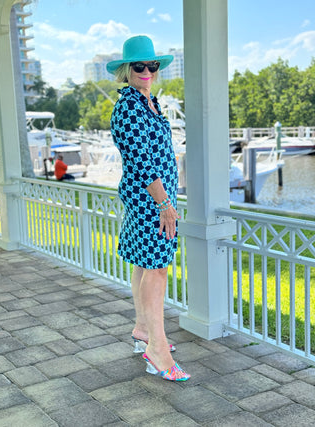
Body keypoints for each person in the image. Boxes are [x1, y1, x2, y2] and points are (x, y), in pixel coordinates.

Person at [107, 35, 190, 381]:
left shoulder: (148, 102)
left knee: (145, 264)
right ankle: (157, 348)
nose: (146, 71)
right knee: (157, 269)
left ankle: (143, 327)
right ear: (126, 71)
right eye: (138, 66)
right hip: (150, 202)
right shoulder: (127, 108)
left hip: (155, 200)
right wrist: (165, 204)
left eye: (151, 65)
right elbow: (141, 162)